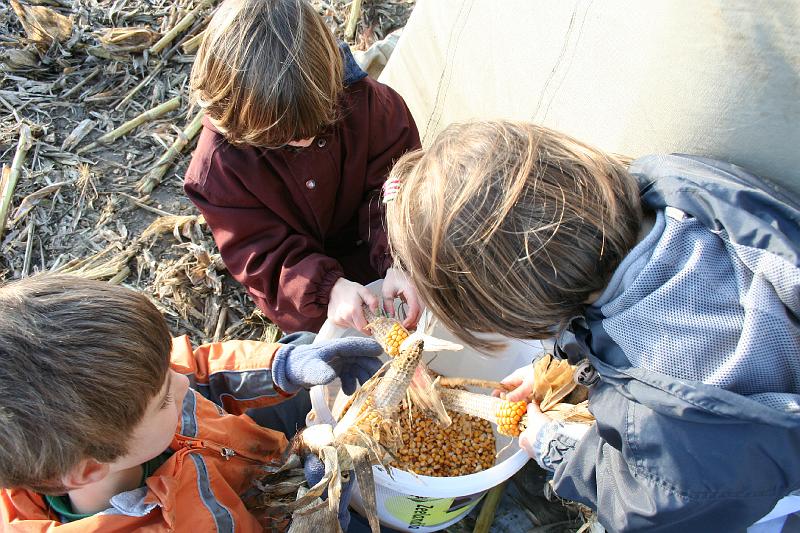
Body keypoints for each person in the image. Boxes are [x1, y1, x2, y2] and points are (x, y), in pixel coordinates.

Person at [383, 120, 800, 531]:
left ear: (514, 309)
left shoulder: (656, 420)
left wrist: (562, 451)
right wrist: (564, 363)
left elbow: (657, 502)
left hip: (750, 486)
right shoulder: (673, 185)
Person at [0, 274, 382, 531]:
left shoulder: (122, 406)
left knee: (303, 349)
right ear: (88, 470)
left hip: (254, 450)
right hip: (264, 516)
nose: (182, 384)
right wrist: (316, 515)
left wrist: (281, 368)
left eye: (167, 369)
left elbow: (198, 370)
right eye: (165, 397)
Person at [184, 0, 421, 335]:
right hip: (301, 290)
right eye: (284, 138)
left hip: (376, 245)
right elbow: (261, 253)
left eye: (320, 124)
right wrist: (328, 288)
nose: (306, 141)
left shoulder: (368, 104)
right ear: (241, 123)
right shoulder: (218, 172)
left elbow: (396, 185)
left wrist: (399, 258)